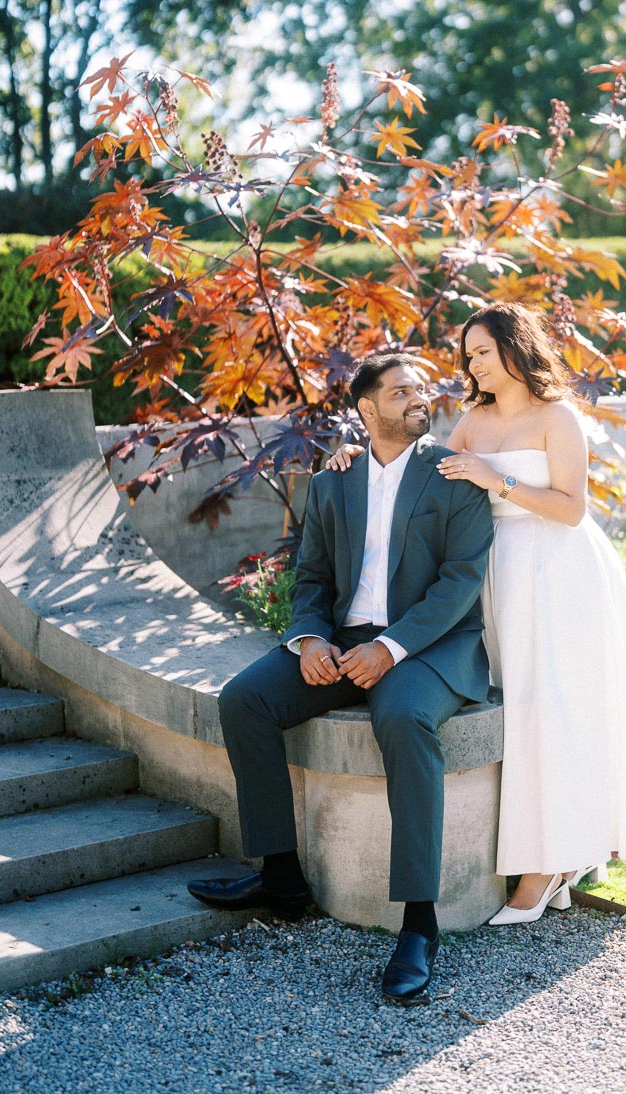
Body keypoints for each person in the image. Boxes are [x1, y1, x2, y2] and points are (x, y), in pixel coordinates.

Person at [328, 303, 626, 925]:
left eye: (481, 351)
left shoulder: (558, 416)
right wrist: (353, 455)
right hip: (495, 577)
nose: (471, 364)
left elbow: (570, 510)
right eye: (468, 354)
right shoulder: (473, 420)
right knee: (520, 713)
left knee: (556, 713)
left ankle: (551, 863)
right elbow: (418, 468)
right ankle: (554, 853)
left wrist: (494, 481)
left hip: (559, 573)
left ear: (513, 350)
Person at [187, 353, 494, 1004]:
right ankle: (281, 877)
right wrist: (309, 641)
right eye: (402, 390)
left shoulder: (454, 478)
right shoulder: (333, 482)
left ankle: (418, 923)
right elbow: (313, 580)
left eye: (423, 388)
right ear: (366, 410)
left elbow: (460, 584)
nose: (420, 398)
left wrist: (391, 648)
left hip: (430, 646)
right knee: (245, 699)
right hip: (343, 640)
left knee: (403, 718)